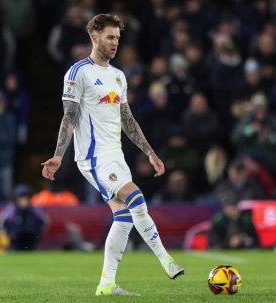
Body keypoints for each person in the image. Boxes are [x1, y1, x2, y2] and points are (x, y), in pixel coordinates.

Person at [41, 14, 184, 297]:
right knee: (137, 198)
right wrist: (59, 155)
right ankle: (166, 260)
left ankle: (106, 285)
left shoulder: (118, 76)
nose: (115, 42)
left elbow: (128, 120)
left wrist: (150, 152)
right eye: (109, 37)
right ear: (94, 38)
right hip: (93, 157)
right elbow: (68, 117)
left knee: (124, 218)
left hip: (115, 156)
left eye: (117, 37)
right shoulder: (77, 73)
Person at [0, 184, 48, 250]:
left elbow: (43, 224)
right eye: (21, 199)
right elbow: (2, 224)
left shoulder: (35, 210)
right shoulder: (10, 210)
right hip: (14, 243)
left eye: (25, 198)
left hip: (31, 243)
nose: (24, 201)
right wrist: (9, 234)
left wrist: (35, 232)